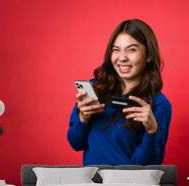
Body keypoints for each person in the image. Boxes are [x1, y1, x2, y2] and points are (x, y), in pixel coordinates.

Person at [67, 19, 172, 165]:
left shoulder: (159, 104)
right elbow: (75, 143)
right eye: (116, 50)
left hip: (129, 185)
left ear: (148, 56)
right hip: (92, 184)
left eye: (132, 50)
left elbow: (147, 167)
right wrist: (83, 119)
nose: (122, 58)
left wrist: (151, 131)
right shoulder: (95, 90)